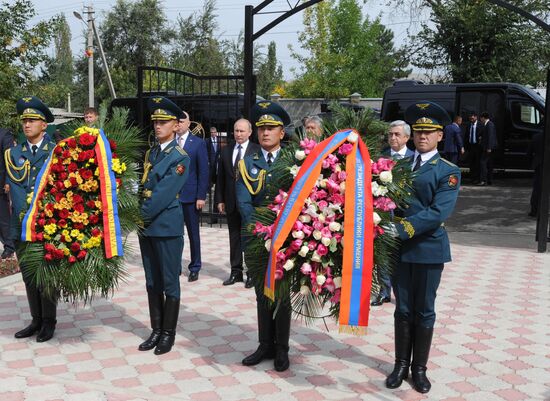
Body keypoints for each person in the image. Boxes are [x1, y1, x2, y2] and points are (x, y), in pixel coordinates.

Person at [386, 101, 460, 394]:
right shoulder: (398, 166)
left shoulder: (448, 170)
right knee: (403, 309)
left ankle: (419, 369)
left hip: (428, 248)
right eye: (418, 131)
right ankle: (400, 364)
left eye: (429, 132)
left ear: (440, 136)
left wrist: (400, 228)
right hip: (400, 250)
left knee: (424, 310)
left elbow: (437, 212)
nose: (422, 137)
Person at [236, 100, 292, 372]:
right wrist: (261, 229)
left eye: (271, 128)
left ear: (282, 132)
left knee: (281, 294)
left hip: (288, 241)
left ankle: (282, 347)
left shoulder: (296, 163)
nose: (265, 133)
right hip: (257, 238)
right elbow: (244, 203)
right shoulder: (248, 163)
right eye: (262, 128)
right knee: (261, 293)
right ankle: (264, 344)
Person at [138, 96, 190, 355]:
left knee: (169, 281)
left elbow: (162, 194)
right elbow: (143, 187)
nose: (158, 126)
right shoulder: (152, 152)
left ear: (175, 125)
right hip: (147, 228)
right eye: (155, 122)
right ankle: (156, 330)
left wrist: (140, 215)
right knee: (152, 281)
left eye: (163, 122)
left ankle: (168, 333)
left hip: (166, 227)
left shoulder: (180, 156)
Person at [5, 96, 57, 342]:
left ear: (44, 124)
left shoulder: (55, 151)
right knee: (28, 273)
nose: (27, 124)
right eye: (24, 120)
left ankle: (49, 321)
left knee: (46, 273)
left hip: (47, 225)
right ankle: (35, 319)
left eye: (32, 120)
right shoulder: (14, 153)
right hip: (22, 224)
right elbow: (16, 190)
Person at [372, 120, 414, 307]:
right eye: (390, 134)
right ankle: (384, 291)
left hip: (406, 215)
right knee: (383, 253)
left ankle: (405, 293)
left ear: (407, 137)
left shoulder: (415, 159)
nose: (393, 137)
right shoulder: (380, 158)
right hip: (383, 214)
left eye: (397, 134)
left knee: (404, 256)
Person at [216, 119, 260, 288]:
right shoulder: (226, 151)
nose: (239, 134)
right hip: (231, 202)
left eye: (242, 131)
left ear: (250, 132)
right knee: (234, 238)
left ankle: (251, 273)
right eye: (236, 131)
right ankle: (236, 272)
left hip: (249, 204)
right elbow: (220, 178)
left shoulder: (256, 150)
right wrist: (219, 199)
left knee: (249, 237)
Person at [176, 111, 209, 282]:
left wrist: (201, 196)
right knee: (175, 234)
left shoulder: (197, 143)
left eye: (182, 121)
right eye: (177, 121)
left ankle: (195, 266)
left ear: (189, 123)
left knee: (193, 234)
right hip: (172, 197)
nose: (179, 124)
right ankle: (175, 266)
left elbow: (203, 171)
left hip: (190, 196)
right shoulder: (169, 142)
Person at [0, 126, 16, 259]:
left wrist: (7, 181)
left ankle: (9, 246)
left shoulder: (4, 134)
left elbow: (9, 160)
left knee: (3, 218)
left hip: (1, 183)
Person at [478, 111, 497, 186]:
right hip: (487, 147)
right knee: (489, 164)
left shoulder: (489, 125)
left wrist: (489, 147)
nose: (480, 120)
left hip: (488, 148)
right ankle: (489, 180)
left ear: (483, 118)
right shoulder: (488, 124)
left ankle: (483, 180)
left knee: (483, 163)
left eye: (481, 118)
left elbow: (490, 137)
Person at [527, 131, 543, 217]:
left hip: (539, 164)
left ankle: (534, 209)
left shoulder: (536, 136)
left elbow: (529, 152)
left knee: (537, 188)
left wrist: (530, 163)